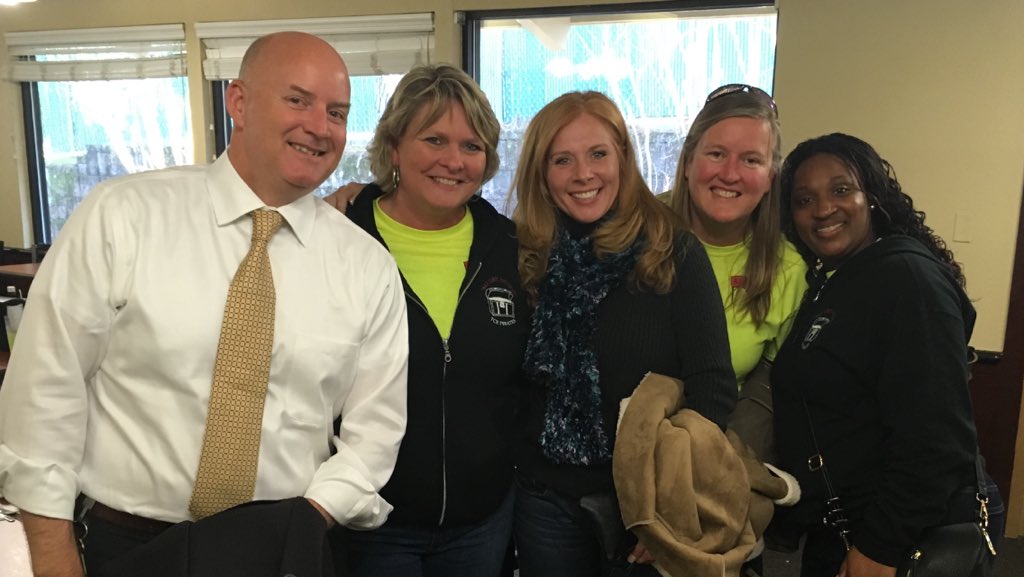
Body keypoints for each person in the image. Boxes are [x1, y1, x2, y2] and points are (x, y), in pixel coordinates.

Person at [0, 31, 409, 576]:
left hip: (281, 547)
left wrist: (308, 520)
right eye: (297, 100)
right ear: (237, 101)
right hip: (128, 544)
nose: (319, 126)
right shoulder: (124, 217)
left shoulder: (366, 267)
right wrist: (53, 557)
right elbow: (44, 394)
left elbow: (377, 431)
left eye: (337, 112)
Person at [511, 90, 736, 577]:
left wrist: (667, 509)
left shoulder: (671, 250)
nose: (583, 174)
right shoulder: (526, 255)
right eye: (562, 160)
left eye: (598, 154)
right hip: (543, 502)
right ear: (542, 175)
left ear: (624, 159)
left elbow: (713, 388)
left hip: (642, 508)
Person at [771, 133, 1005, 577]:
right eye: (804, 199)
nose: (823, 209)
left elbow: (936, 440)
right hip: (845, 527)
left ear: (872, 197)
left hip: (897, 534)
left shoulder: (906, 278)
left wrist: (879, 548)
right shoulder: (836, 281)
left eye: (841, 190)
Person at [339, 64, 528, 577]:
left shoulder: (512, 248)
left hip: (482, 522)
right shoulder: (340, 240)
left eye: (472, 146)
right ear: (395, 146)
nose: (453, 160)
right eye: (435, 139)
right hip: (370, 520)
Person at [669, 85, 807, 454]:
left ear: (770, 178)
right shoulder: (633, 236)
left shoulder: (787, 269)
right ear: (687, 163)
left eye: (750, 160)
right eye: (716, 154)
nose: (730, 174)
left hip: (717, 455)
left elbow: (772, 390)